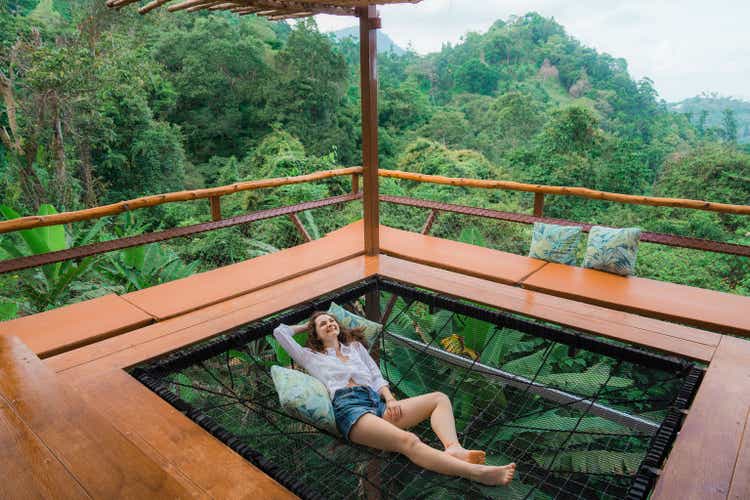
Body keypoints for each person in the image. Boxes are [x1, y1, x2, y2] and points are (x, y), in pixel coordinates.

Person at [273, 311, 516, 486]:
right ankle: (476, 473)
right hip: (351, 410)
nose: (328, 324)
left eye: (331, 320)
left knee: (439, 398)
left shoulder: (355, 348)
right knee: (409, 441)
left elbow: (376, 377)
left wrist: (390, 400)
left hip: (376, 404)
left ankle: (454, 449)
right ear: (315, 333)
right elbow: (280, 332)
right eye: (322, 324)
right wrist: (308, 324)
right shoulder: (312, 357)